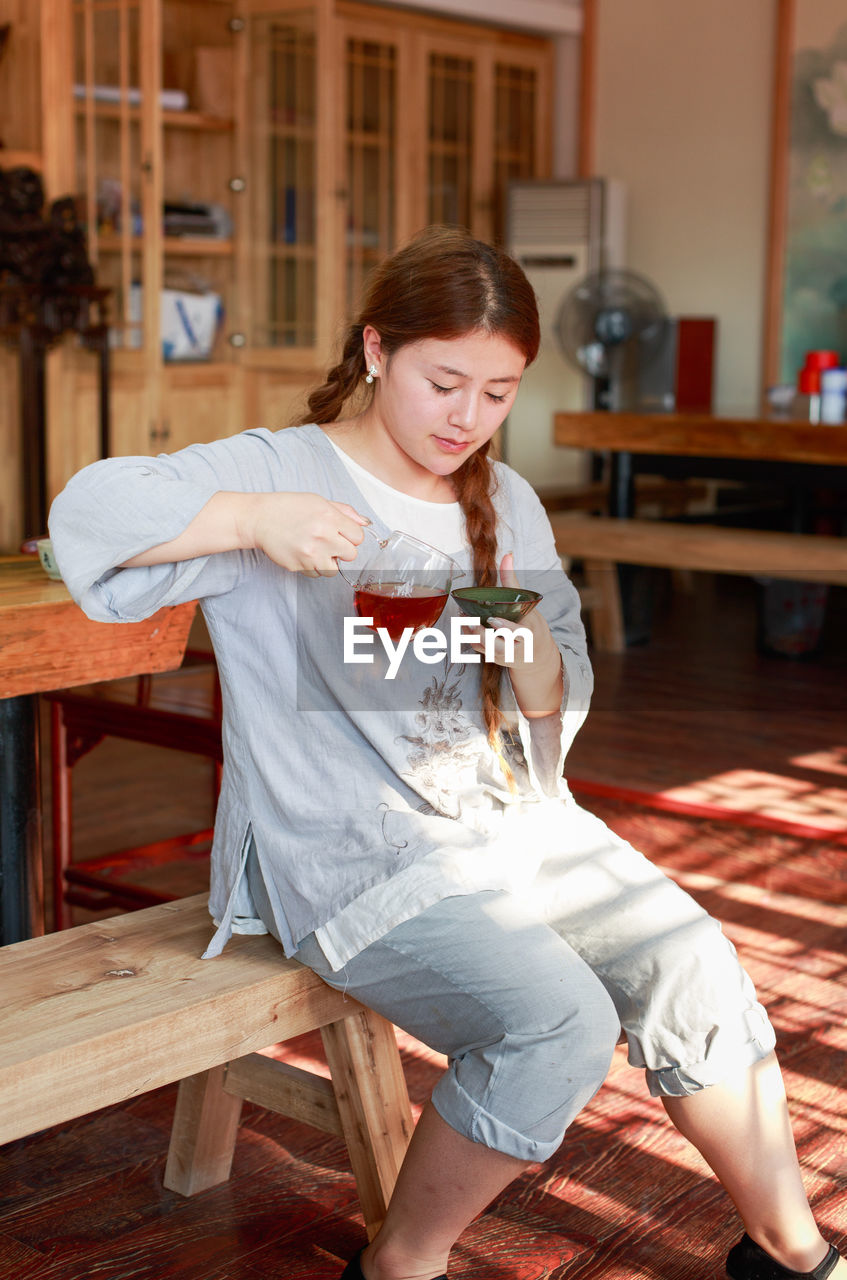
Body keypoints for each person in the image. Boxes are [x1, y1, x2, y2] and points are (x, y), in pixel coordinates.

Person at [49, 226, 843, 1280]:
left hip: (506, 822)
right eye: (443, 381)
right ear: (376, 350)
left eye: (499, 392)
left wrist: (524, 652)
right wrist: (251, 517)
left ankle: (791, 1252)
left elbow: (558, 681)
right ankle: (399, 1261)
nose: (466, 418)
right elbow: (84, 514)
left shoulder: (503, 499)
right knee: (558, 1023)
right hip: (346, 849)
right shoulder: (281, 467)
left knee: (693, 961)